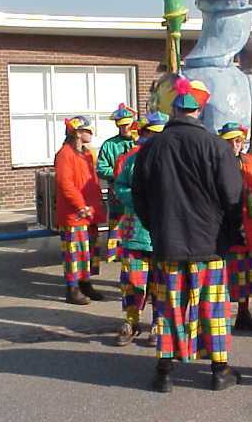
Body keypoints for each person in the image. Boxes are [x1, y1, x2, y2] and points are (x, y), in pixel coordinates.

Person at [132, 76, 243, 393]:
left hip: (168, 243)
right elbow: (233, 198)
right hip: (210, 245)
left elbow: (139, 196)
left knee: (169, 308)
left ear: (174, 110)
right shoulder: (217, 147)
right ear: (200, 110)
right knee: (213, 309)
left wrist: (156, 227)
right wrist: (227, 235)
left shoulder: (151, 148)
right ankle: (219, 371)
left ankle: (164, 373)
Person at [113, 112, 168, 347]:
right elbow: (120, 187)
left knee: (159, 282)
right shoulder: (131, 160)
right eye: (151, 134)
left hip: (161, 235)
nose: (154, 139)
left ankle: (158, 323)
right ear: (143, 134)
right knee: (132, 281)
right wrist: (139, 200)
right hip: (135, 233)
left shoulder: (172, 161)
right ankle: (131, 321)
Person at [218, 122, 252, 331]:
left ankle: (243, 313)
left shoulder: (249, 162)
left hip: (248, 225)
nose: (234, 145)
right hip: (226, 227)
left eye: (238, 141)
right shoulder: (217, 162)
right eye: (229, 141)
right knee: (225, 275)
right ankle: (220, 317)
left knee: (246, 273)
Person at [54, 116, 107, 305]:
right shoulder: (65, 154)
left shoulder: (87, 154)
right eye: (87, 130)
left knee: (89, 251)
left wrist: (96, 204)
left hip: (90, 213)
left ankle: (85, 283)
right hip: (75, 214)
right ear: (77, 133)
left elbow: (92, 181)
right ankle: (72, 288)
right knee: (74, 253)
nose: (91, 133)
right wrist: (80, 205)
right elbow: (65, 183)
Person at [97, 103, 137, 264]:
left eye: (126, 125)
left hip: (136, 193)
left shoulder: (140, 142)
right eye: (120, 125)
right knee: (115, 222)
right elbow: (101, 168)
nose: (124, 128)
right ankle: (115, 254)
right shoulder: (109, 145)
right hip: (117, 193)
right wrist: (117, 174)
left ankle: (134, 252)